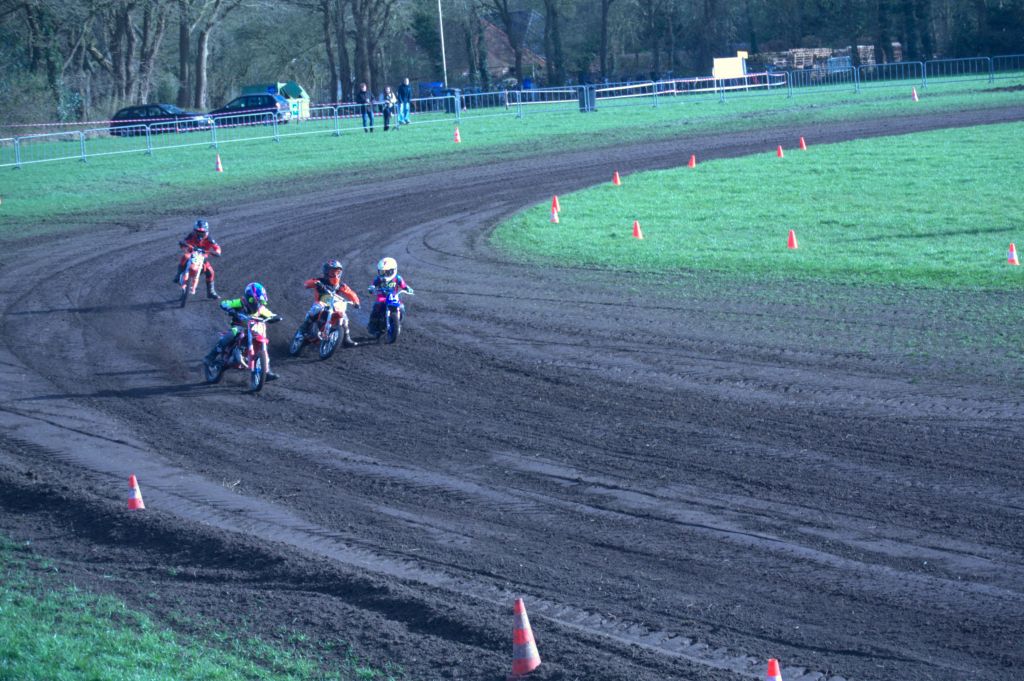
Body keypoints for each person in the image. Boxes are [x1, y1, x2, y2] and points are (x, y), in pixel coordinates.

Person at [204, 282, 281, 380]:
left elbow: (270, 314)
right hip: (239, 327)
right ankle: (211, 356)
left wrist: (275, 317)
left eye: (260, 301)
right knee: (234, 333)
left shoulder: (261, 309)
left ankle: (266, 371)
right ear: (250, 297)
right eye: (255, 300)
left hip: (253, 330)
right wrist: (230, 309)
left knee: (263, 348)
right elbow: (224, 303)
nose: (257, 303)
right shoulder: (240, 302)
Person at [301, 260, 361, 347]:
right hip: (322, 301)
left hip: (334, 303)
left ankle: (346, 338)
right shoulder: (320, 281)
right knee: (316, 309)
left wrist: (356, 302)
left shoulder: (340, 285)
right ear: (326, 272)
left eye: (337, 272)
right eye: (332, 272)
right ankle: (304, 329)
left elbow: (350, 293)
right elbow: (307, 284)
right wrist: (315, 283)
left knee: (344, 317)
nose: (335, 275)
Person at [173, 218, 222, 299]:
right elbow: (184, 241)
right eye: (198, 232)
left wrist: (217, 252)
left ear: (206, 232)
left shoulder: (209, 239)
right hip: (191, 254)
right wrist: (183, 244)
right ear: (195, 231)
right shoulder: (191, 236)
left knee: (210, 272)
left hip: (202, 257)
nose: (200, 234)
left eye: (202, 233)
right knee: (185, 256)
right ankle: (178, 275)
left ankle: (211, 292)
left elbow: (216, 247)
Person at [367, 257, 413, 337]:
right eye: (382, 272)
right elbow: (373, 285)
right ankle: (372, 325)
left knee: (401, 307)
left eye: (387, 272)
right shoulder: (378, 279)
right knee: (377, 306)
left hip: (393, 297)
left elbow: (404, 285)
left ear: (393, 270)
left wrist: (408, 289)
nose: (384, 275)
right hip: (382, 296)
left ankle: (397, 322)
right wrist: (372, 288)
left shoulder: (397, 278)